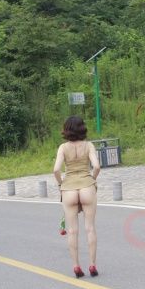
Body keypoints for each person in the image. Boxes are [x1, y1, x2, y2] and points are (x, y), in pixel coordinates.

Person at [53, 116, 101, 278]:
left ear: (66, 130)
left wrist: (61, 184)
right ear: (82, 128)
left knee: (72, 231)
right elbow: (96, 166)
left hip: (69, 189)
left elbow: (56, 170)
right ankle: (92, 265)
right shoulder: (89, 145)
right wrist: (92, 179)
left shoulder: (63, 147)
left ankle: (76, 266)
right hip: (87, 186)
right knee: (90, 228)